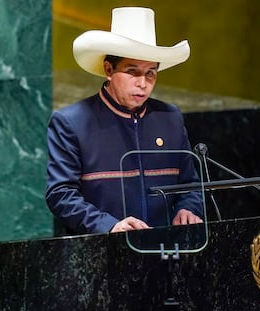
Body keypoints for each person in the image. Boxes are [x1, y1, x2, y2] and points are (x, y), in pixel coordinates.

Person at [46, 7, 204, 234]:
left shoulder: (170, 118)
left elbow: (190, 185)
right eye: (133, 72)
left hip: (166, 253)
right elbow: (60, 194)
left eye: (151, 73)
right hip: (100, 254)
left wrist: (188, 209)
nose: (143, 83)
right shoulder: (71, 122)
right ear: (108, 69)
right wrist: (109, 225)